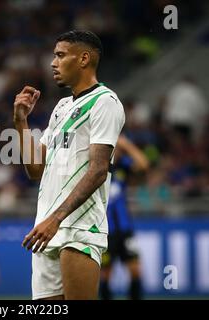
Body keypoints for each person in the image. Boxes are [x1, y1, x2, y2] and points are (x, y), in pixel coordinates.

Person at [13, 30, 125, 300]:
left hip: (80, 228)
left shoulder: (105, 102)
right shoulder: (62, 107)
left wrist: (56, 219)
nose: (53, 63)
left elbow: (98, 171)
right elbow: (35, 169)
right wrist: (21, 122)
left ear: (84, 59)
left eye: (60, 55)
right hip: (46, 229)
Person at [100, 135, 149, 300]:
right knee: (105, 275)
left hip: (125, 228)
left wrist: (127, 144)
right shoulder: (99, 166)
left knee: (136, 270)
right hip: (106, 231)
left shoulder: (122, 166)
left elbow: (143, 164)